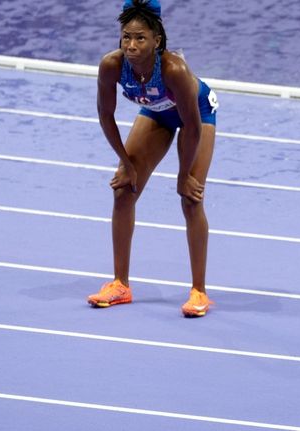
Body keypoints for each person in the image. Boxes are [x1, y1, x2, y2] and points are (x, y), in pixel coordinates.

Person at [87, 0, 219, 317]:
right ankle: (120, 284)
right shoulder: (111, 66)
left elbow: (190, 127)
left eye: (140, 38)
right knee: (123, 192)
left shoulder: (173, 70)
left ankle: (199, 291)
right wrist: (127, 164)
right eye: (126, 37)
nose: (132, 46)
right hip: (157, 112)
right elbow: (106, 116)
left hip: (196, 116)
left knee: (190, 199)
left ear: (156, 40)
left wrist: (184, 173)